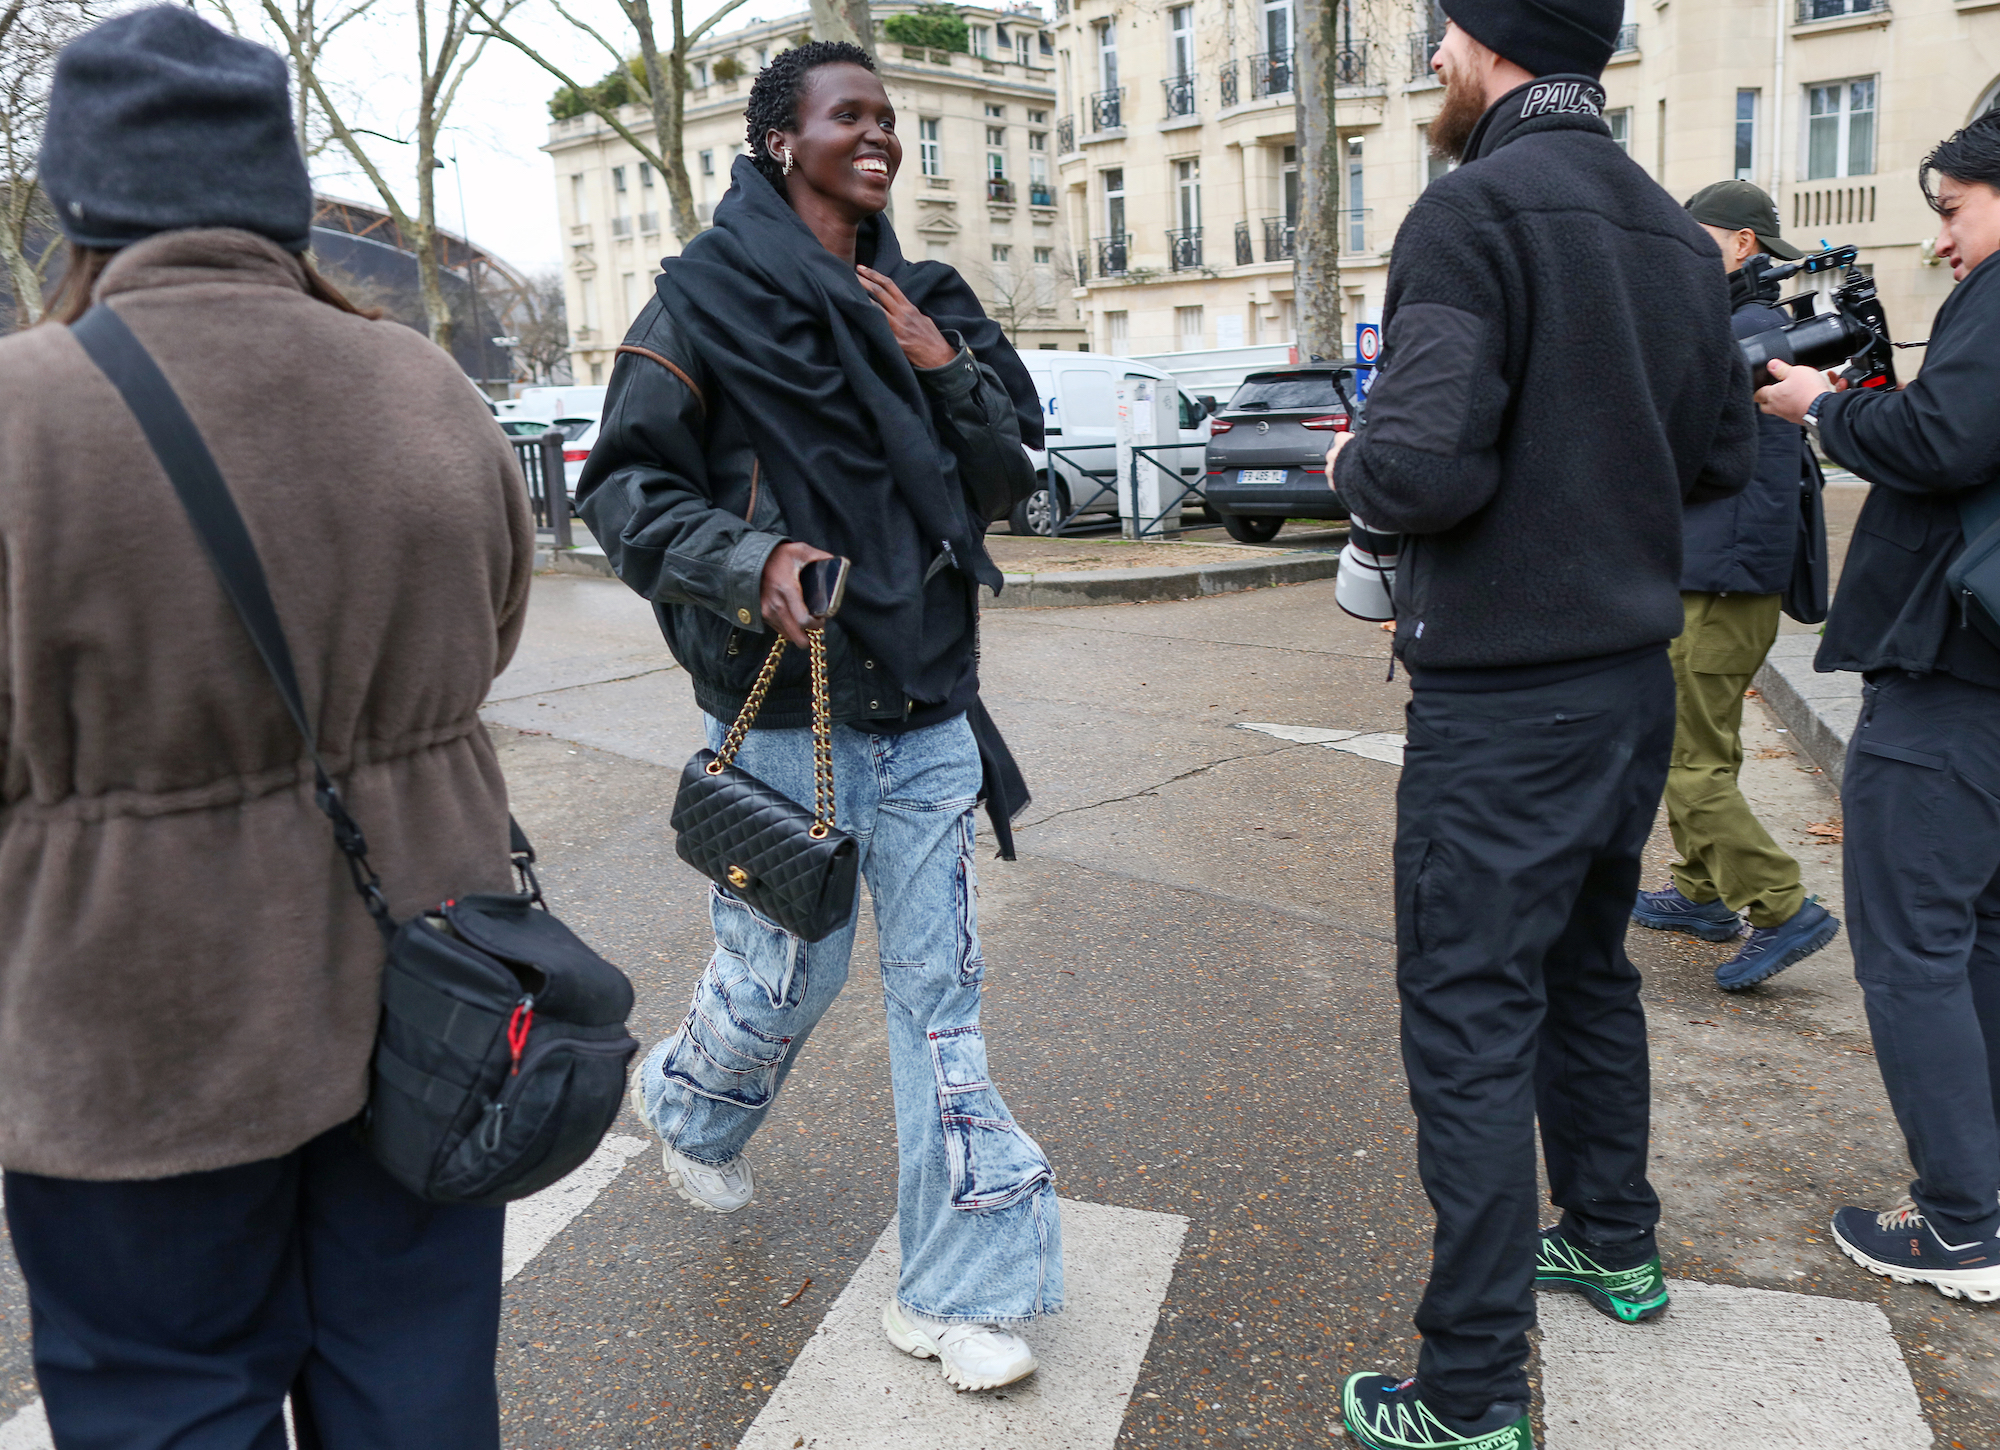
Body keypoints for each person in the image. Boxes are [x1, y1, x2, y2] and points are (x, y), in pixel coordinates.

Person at [0, 8, 534, 1447]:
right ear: (278, 188)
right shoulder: (425, 384)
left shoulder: (21, 416)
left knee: (165, 1399)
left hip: (136, 1035)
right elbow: (488, 637)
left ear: (77, 199)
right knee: (417, 1383)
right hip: (430, 1002)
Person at [578, 42, 1060, 1394]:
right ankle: (689, 1099)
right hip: (785, 713)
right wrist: (754, 564)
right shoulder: (700, 299)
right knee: (788, 973)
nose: (880, 137)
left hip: (925, 702)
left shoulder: (930, 294)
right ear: (781, 139)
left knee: (941, 1001)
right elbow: (621, 490)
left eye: (890, 119)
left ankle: (955, 1287)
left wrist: (941, 363)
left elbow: (1009, 468)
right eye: (851, 116)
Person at [1322, 2, 1757, 1444]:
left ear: (1485, 44)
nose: (1435, 63)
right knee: (1584, 971)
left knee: (1467, 1015)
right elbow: (1718, 458)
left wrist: (1358, 462)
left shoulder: (1471, 212)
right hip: (1631, 678)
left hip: (1504, 702)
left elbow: (1424, 463)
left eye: (1443, 36)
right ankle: (1616, 1241)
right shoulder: (1677, 241)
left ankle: (1467, 1396)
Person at [1756, 111, 2000, 1301]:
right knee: (1979, 937)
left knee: (1909, 952)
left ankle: (1959, 1221)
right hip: (1987, 677)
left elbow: (1947, 435)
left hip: (1949, 677)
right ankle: (1987, 1189)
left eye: (1951, 210)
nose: (1943, 242)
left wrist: (1820, 405)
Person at [1630, 180, 1841, 990]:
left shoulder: (1747, 331)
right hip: (1723, 573)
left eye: (1696, 237)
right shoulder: (1747, 323)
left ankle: (1781, 906)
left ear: (1741, 245)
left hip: (1718, 580)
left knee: (1686, 758)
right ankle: (1700, 891)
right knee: (1701, 746)